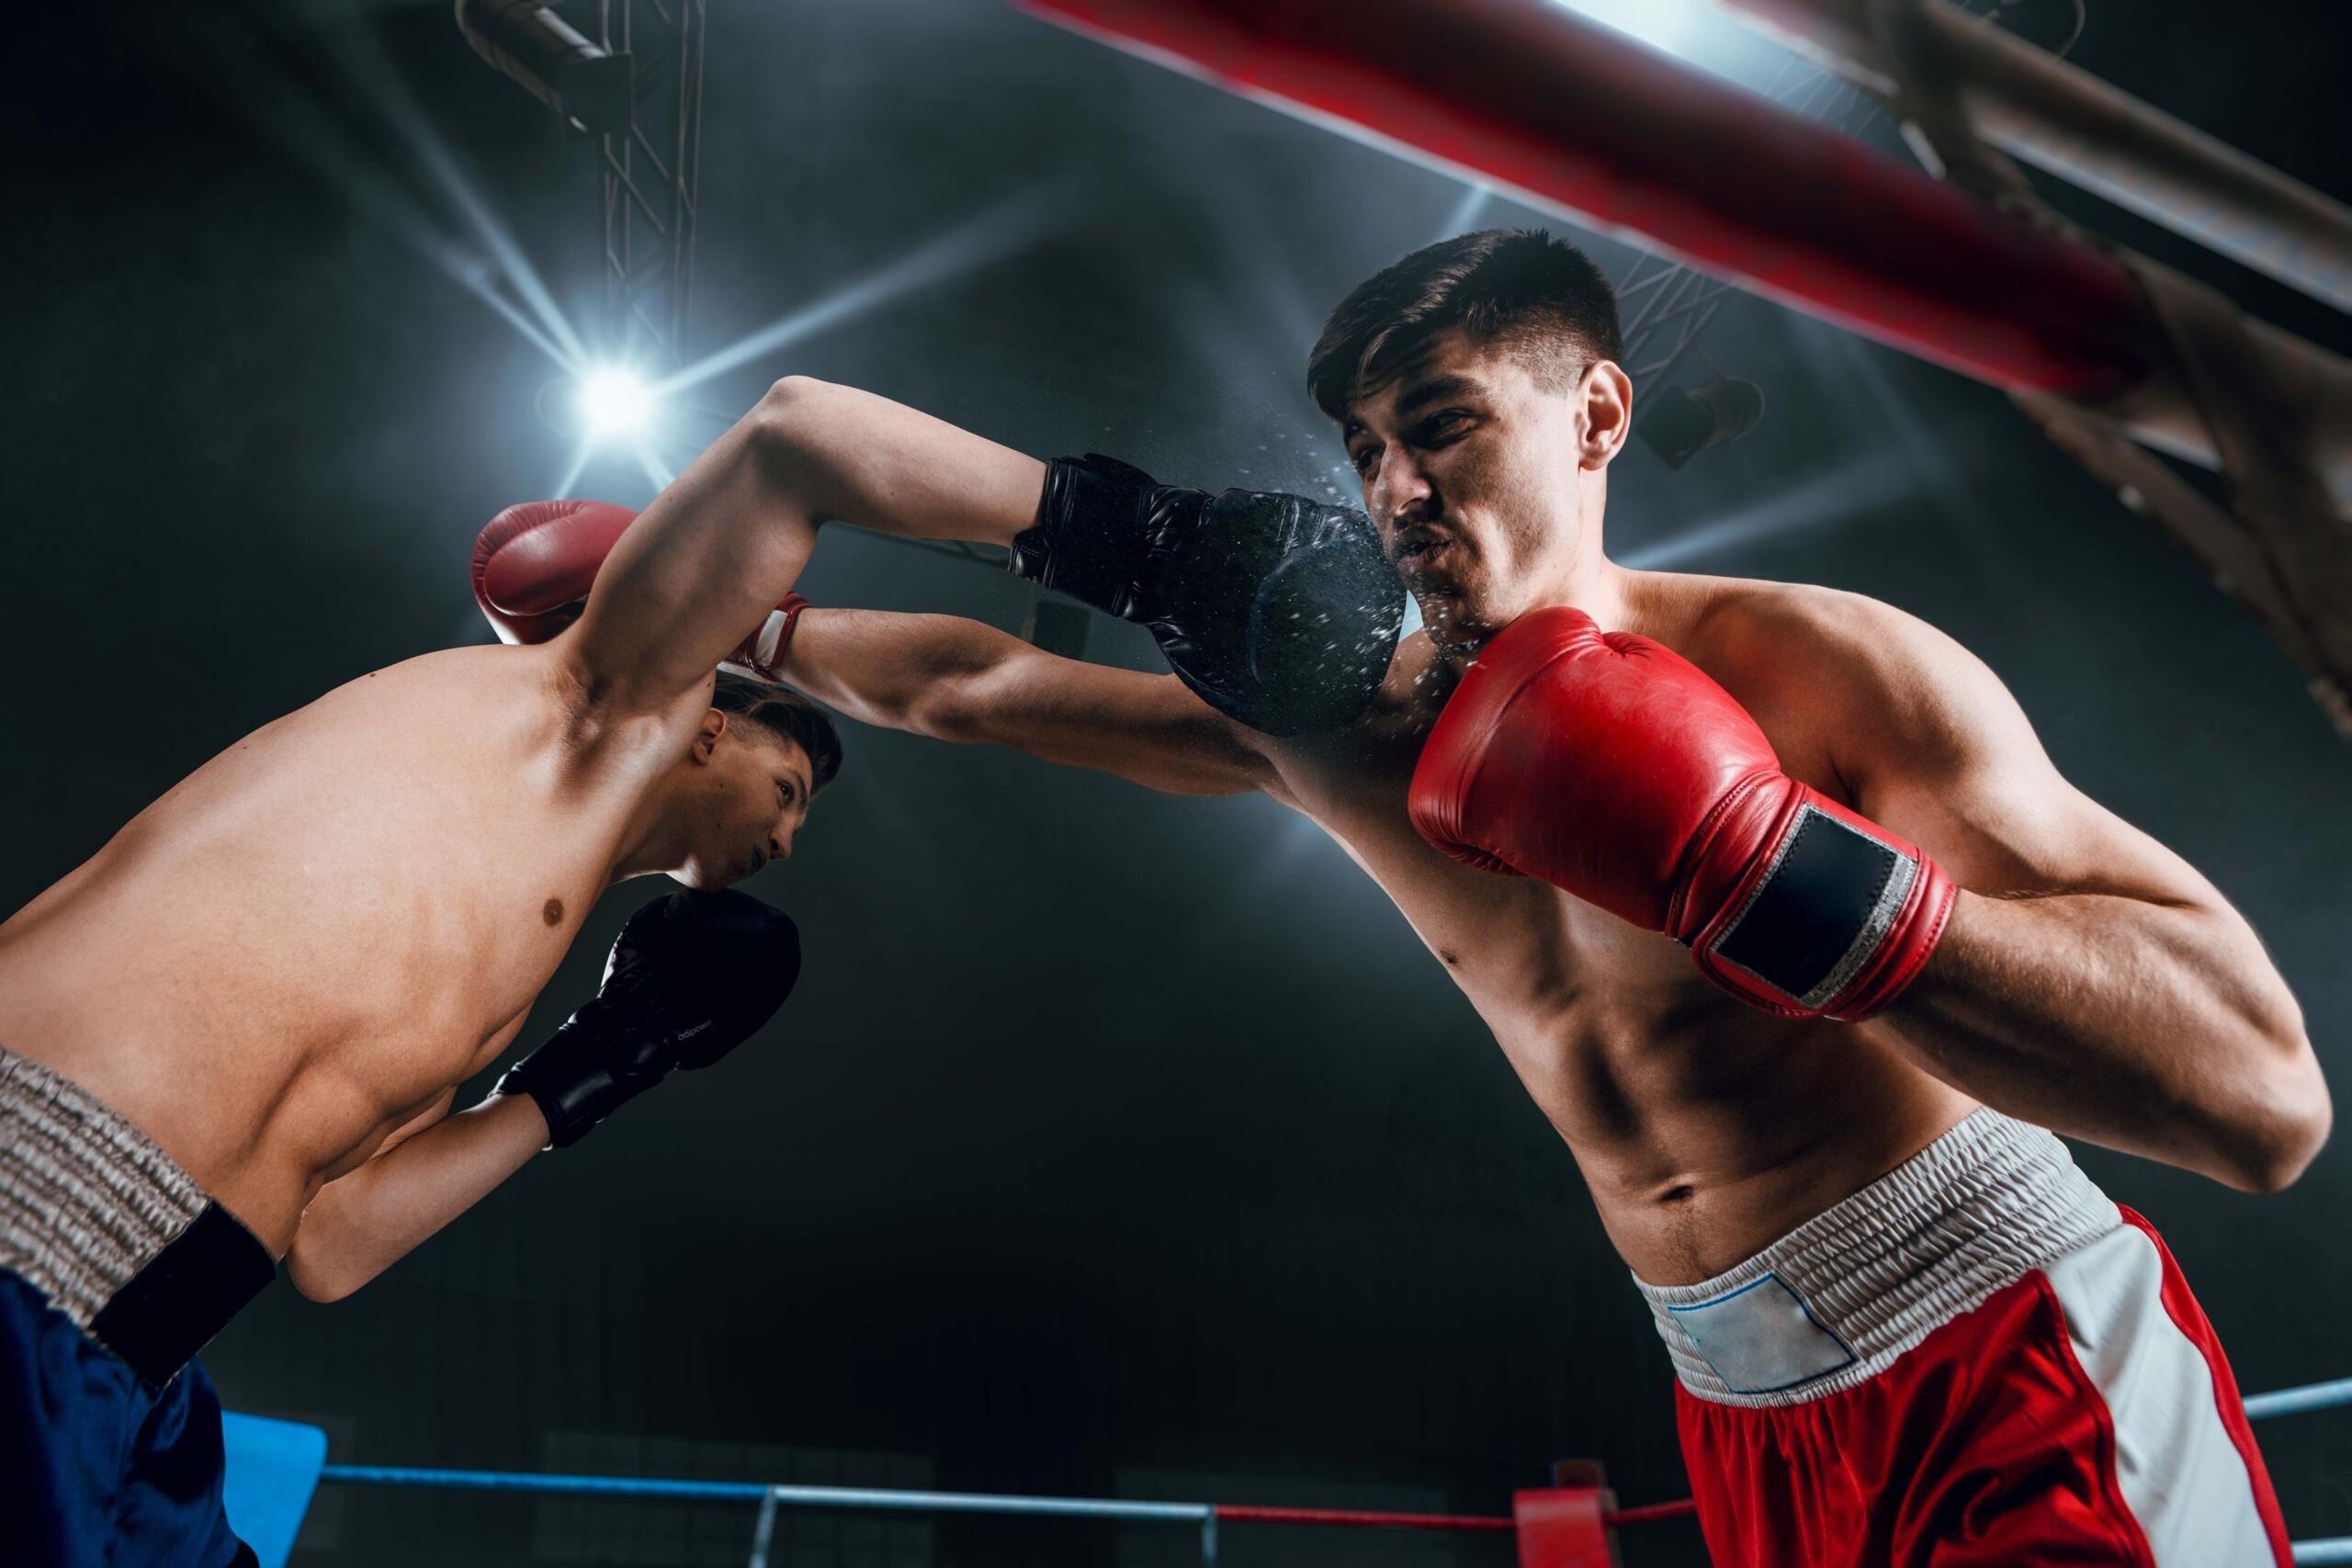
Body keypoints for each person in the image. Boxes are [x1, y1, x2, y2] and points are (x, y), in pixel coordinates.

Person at [498, 229, 2328, 1564]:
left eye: (1439, 426)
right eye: (1366, 449)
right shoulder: (1339, 731)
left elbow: (2260, 1096)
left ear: (1595, 411)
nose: (1391, 487)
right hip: (1742, 1415)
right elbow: (972, 685)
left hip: (1996, 1342)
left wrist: (1770, 869)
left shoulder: (1815, 665)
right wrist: (716, 613)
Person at [0, 482, 841, 1565]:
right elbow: (794, 450)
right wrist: (1080, 530)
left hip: (138, 1355)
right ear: (706, 724)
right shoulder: (520, 742)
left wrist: (601, 1060)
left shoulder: (529, 939)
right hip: (44, 1237)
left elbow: (337, 1242)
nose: (785, 837)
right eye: (784, 789)